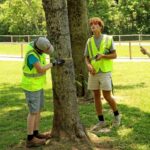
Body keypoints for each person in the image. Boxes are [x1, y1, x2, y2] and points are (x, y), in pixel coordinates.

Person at [21, 37, 65, 148]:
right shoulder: (32, 55)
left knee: (38, 110)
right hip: (31, 87)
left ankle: (36, 133)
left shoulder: (38, 47)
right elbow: (40, 69)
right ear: (40, 49)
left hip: (37, 85)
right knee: (33, 112)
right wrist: (53, 63)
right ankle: (30, 139)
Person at [84, 17, 121, 131]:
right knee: (96, 96)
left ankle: (117, 115)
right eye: (91, 25)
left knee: (107, 96)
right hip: (93, 73)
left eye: (95, 24)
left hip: (105, 72)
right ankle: (101, 121)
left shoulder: (108, 39)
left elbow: (114, 55)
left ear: (100, 26)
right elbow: (86, 57)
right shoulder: (89, 41)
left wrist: (104, 56)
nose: (93, 26)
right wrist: (88, 66)